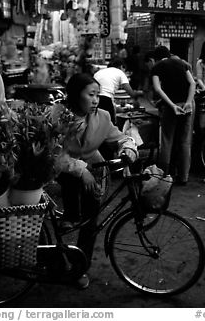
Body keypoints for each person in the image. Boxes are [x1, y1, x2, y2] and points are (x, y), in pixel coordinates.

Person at [54, 73, 138, 289]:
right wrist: (80, 170)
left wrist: (128, 147)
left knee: (91, 222)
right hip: (63, 172)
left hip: (96, 169)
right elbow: (53, 153)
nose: (95, 100)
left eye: (97, 95)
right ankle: (68, 219)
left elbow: (119, 136)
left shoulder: (103, 117)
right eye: (91, 95)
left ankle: (79, 268)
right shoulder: (57, 116)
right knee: (68, 215)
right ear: (75, 95)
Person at [151, 45, 196, 185]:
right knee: (184, 142)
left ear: (156, 58)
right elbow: (192, 83)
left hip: (171, 108)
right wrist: (188, 102)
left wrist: (171, 105)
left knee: (166, 141)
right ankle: (183, 177)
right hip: (187, 105)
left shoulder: (157, 67)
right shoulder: (182, 63)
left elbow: (157, 89)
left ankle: (164, 176)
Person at [93, 58, 143, 124]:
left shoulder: (98, 73)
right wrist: (139, 93)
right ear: (121, 66)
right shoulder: (120, 72)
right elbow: (131, 93)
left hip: (94, 98)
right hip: (106, 99)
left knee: (97, 123)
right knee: (110, 125)